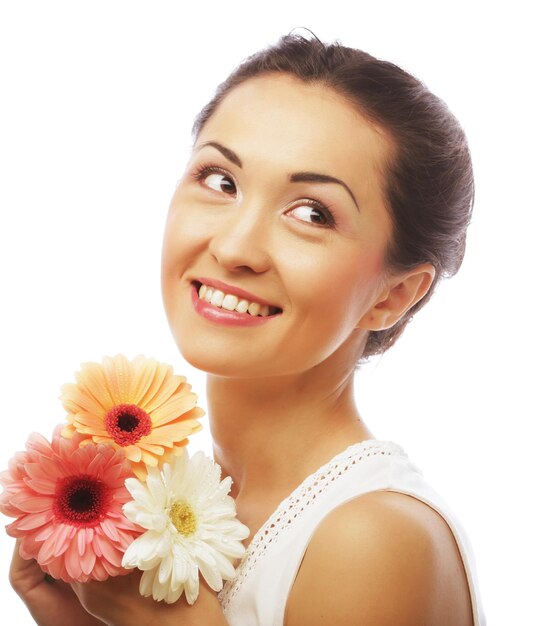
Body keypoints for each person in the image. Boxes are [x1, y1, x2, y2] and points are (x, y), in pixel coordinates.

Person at [8, 32, 485, 625]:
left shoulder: (373, 538)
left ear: (395, 295)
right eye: (220, 180)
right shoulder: (199, 511)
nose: (235, 247)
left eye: (311, 213)